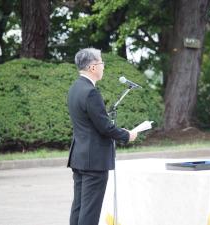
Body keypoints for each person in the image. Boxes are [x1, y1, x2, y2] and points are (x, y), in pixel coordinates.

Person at [67, 47, 137, 225]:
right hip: (94, 161)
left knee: (79, 207)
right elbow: (105, 127)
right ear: (92, 67)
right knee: (89, 212)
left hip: (79, 157)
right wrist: (127, 135)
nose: (103, 66)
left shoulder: (75, 88)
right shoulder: (91, 92)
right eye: (101, 63)